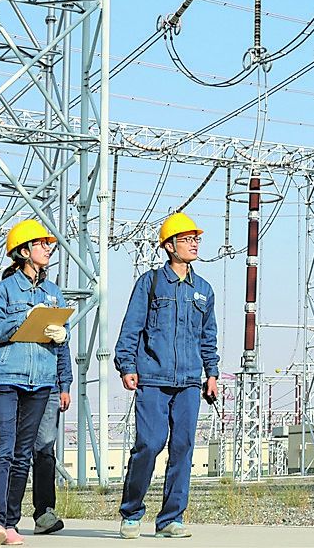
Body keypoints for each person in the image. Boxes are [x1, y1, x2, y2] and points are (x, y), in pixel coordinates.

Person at [115, 212, 219, 539]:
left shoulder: (203, 290)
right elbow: (132, 327)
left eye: (196, 239)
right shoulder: (151, 283)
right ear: (170, 246)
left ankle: (170, 519)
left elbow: (208, 337)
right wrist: (127, 365)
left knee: (183, 447)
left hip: (189, 382)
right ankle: (132, 512)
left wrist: (212, 373)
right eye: (187, 239)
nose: (194, 244)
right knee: (150, 443)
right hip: (153, 379)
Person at [0, 219, 71, 548]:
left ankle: (10, 523)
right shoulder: (4, 290)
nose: (48, 248)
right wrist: (26, 317)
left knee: (22, 455)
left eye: (49, 244)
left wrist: (63, 335)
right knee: (3, 452)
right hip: (6, 379)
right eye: (41, 244)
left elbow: (61, 340)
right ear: (23, 251)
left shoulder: (53, 293)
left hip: (41, 382)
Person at [30, 388, 65, 535]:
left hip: (50, 387)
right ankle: (4, 518)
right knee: (12, 451)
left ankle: (44, 515)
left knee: (45, 449)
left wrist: (65, 387)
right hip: (13, 384)